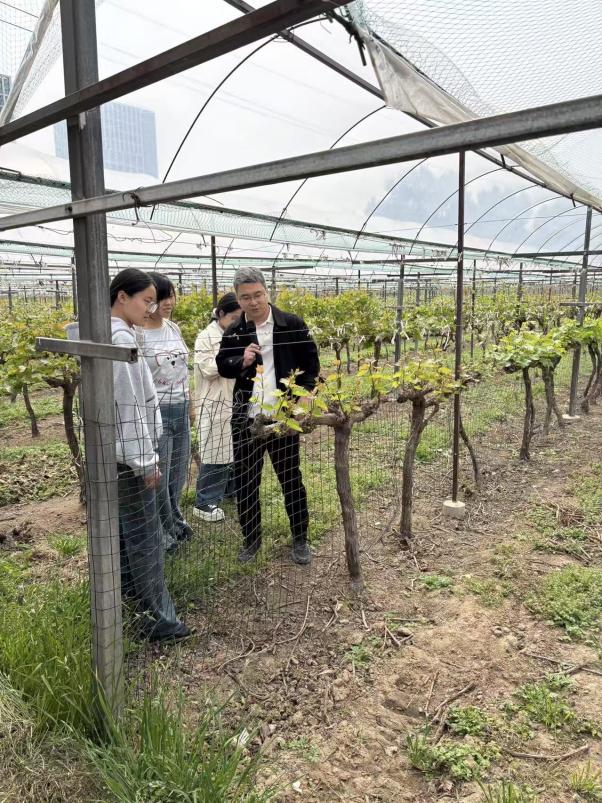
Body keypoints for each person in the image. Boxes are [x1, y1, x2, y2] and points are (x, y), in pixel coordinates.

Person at [216, 267, 320, 565]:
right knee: (247, 482)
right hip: (246, 419)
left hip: (282, 419)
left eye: (258, 295)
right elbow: (223, 365)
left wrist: (302, 399)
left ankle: (300, 538)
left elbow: (311, 366)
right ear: (238, 299)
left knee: (290, 479)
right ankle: (251, 541)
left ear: (267, 292)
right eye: (245, 297)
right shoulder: (235, 331)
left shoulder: (291, 324)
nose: (253, 302)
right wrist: (242, 360)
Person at [110, 268, 189, 642]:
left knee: (127, 532)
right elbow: (130, 409)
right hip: (131, 456)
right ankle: (160, 620)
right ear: (122, 297)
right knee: (145, 536)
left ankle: (128, 598)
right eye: (146, 300)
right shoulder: (121, 343)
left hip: (117, 453)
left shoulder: (111, 334)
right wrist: (146, 462)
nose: (151, 308)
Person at [140, 272, 193, 552]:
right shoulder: (139, 335)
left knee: (178, 474)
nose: (168, 302)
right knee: (160, 478)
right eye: (162, 297)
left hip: (181, 407)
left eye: (171, 296)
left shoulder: (173, 328)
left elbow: (184, 371)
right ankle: (162, 532)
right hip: (157, 411)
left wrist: (190, 404)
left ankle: (175, 521)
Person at [193, 292, 242, 522]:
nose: (237, 323)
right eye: (233, 318)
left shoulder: (238, 334)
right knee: (215, 452)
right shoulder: (206, 337)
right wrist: (238, 359)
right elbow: (209, 369)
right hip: (214, 401)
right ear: (221, 314)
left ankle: (230, 491)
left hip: (235, 399)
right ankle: (205, 501)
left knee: (233, 449)